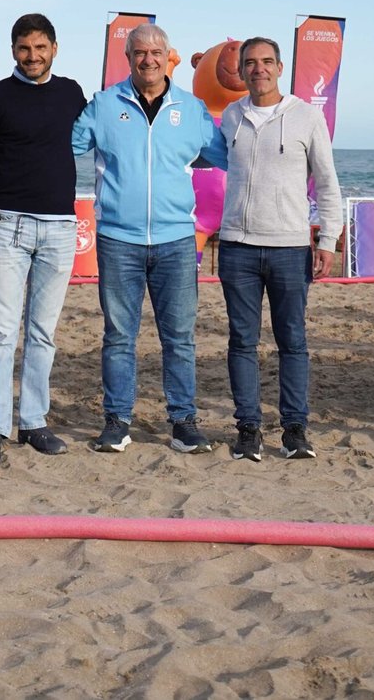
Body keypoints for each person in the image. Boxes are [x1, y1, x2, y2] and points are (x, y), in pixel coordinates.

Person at [72, 23, 217, 454]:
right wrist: (4, 171)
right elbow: (57, 148)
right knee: (119, 337)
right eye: (140, 52)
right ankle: (117, 421)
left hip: (176, 241)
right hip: (118, 240)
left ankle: (183, 422)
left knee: (180, 338)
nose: (148, 59)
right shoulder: (103, 105)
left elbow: (234, 156)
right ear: (128, 57)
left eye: (156, 52)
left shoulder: (192, 109)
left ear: (168, 56)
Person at [203, 36, 342, 462]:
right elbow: (207, 157)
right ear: (241, 71)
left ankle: (295, 430)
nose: (258, 69)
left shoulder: (307, 117)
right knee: (242, 341)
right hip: (238, 248)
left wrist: (327, 240)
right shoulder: (231, 115)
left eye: (266, 61)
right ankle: (248, 429)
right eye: (250, 62)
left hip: (289, 248)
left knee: (292, 342)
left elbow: (327, 182)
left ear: (280, 68)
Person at [0, 13, 88, 466]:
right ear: (13, 50)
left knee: (42, 333)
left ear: (54, 48)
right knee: (0, 332)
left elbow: (102, 138)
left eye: (40, 48)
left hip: (60, 228)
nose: (32, 57)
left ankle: (33, 422)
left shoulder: (72, 93)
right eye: (23, 48)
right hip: (8, 227)